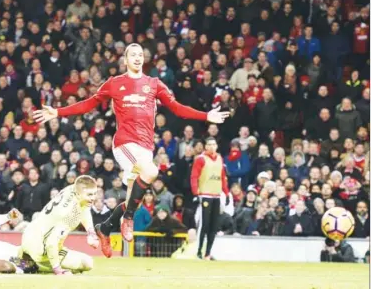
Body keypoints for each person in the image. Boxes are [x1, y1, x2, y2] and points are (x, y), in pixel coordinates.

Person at [33, 43, 230, 258]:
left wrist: (205, 115)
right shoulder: (115, 83)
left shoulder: (154, 84)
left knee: (131, 200)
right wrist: (58, 112)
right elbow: (89, 103)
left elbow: (177, 108)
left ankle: (105, 227)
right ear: (125, 60)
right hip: (125, 144)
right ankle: (126, 219)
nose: (137, 58)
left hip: (145, 147)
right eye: (132, 55)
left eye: (140, 55)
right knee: (151, 172)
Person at [19, 175, 99, 275]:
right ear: (78, 194)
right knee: (87, 263)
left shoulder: (73, 188)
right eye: (90, 195)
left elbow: (84, 208)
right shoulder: (68, 214)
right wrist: (57, 270)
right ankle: (28, 265)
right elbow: (51, 243)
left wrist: (90, 232)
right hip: (40, 247)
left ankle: (23, 258)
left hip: (30, 235)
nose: (93, 198)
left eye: (95, 193)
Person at [190, 137, 229, 260]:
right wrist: (196, 193)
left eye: (214, 144)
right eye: (209, 144)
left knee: (214, 226)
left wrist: (226, 193)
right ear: (206, 146)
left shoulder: (219, 159)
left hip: (216, 195)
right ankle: (199, 251)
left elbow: (222, 177)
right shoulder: (200, 159)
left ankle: (207, 252)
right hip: (205, 195)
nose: (212, 147)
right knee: (204, 225)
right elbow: (194, 177)